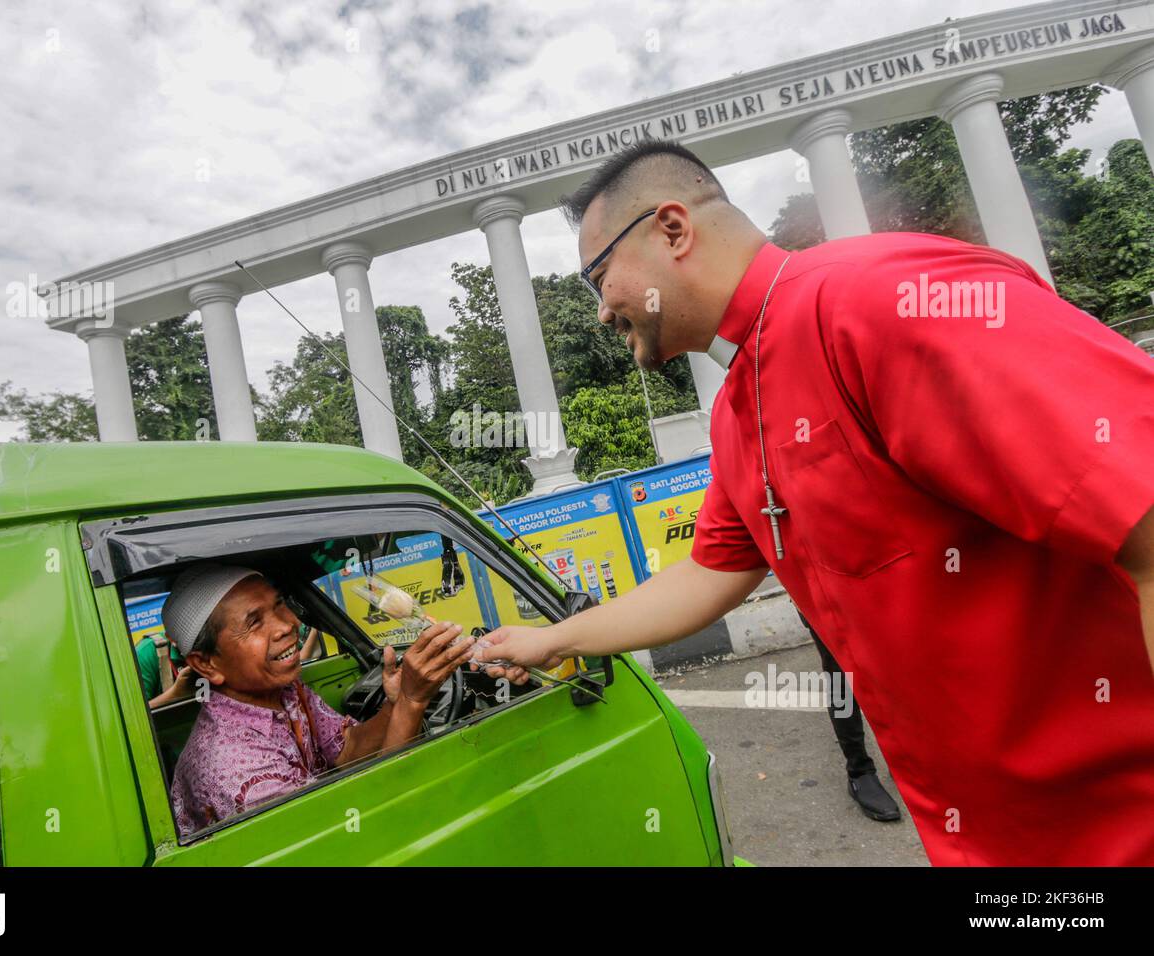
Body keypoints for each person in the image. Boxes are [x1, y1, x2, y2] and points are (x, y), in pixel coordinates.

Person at [479, 139, 1154, 865]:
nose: (600, 313)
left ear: (672, 229)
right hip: (994, 838)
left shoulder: (879, 299)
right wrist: (550, 640)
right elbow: (711, 572)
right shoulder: (741, 407)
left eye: (598, 277)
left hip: (1117, 823)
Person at [162, 564, 488, 835]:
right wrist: (413, 702)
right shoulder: (239, 772)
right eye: (254, 623)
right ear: (207, 664)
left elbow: (347, 749)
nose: (289, 625)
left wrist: (397, 701)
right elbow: (364, 830)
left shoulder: (283, 691)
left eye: (279, 605)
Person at [795, 610, 899, 822]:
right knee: (839, 674)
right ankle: (859, 771)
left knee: (888, 661)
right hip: (817, 587)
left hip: (870, 584)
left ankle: (901, 754)